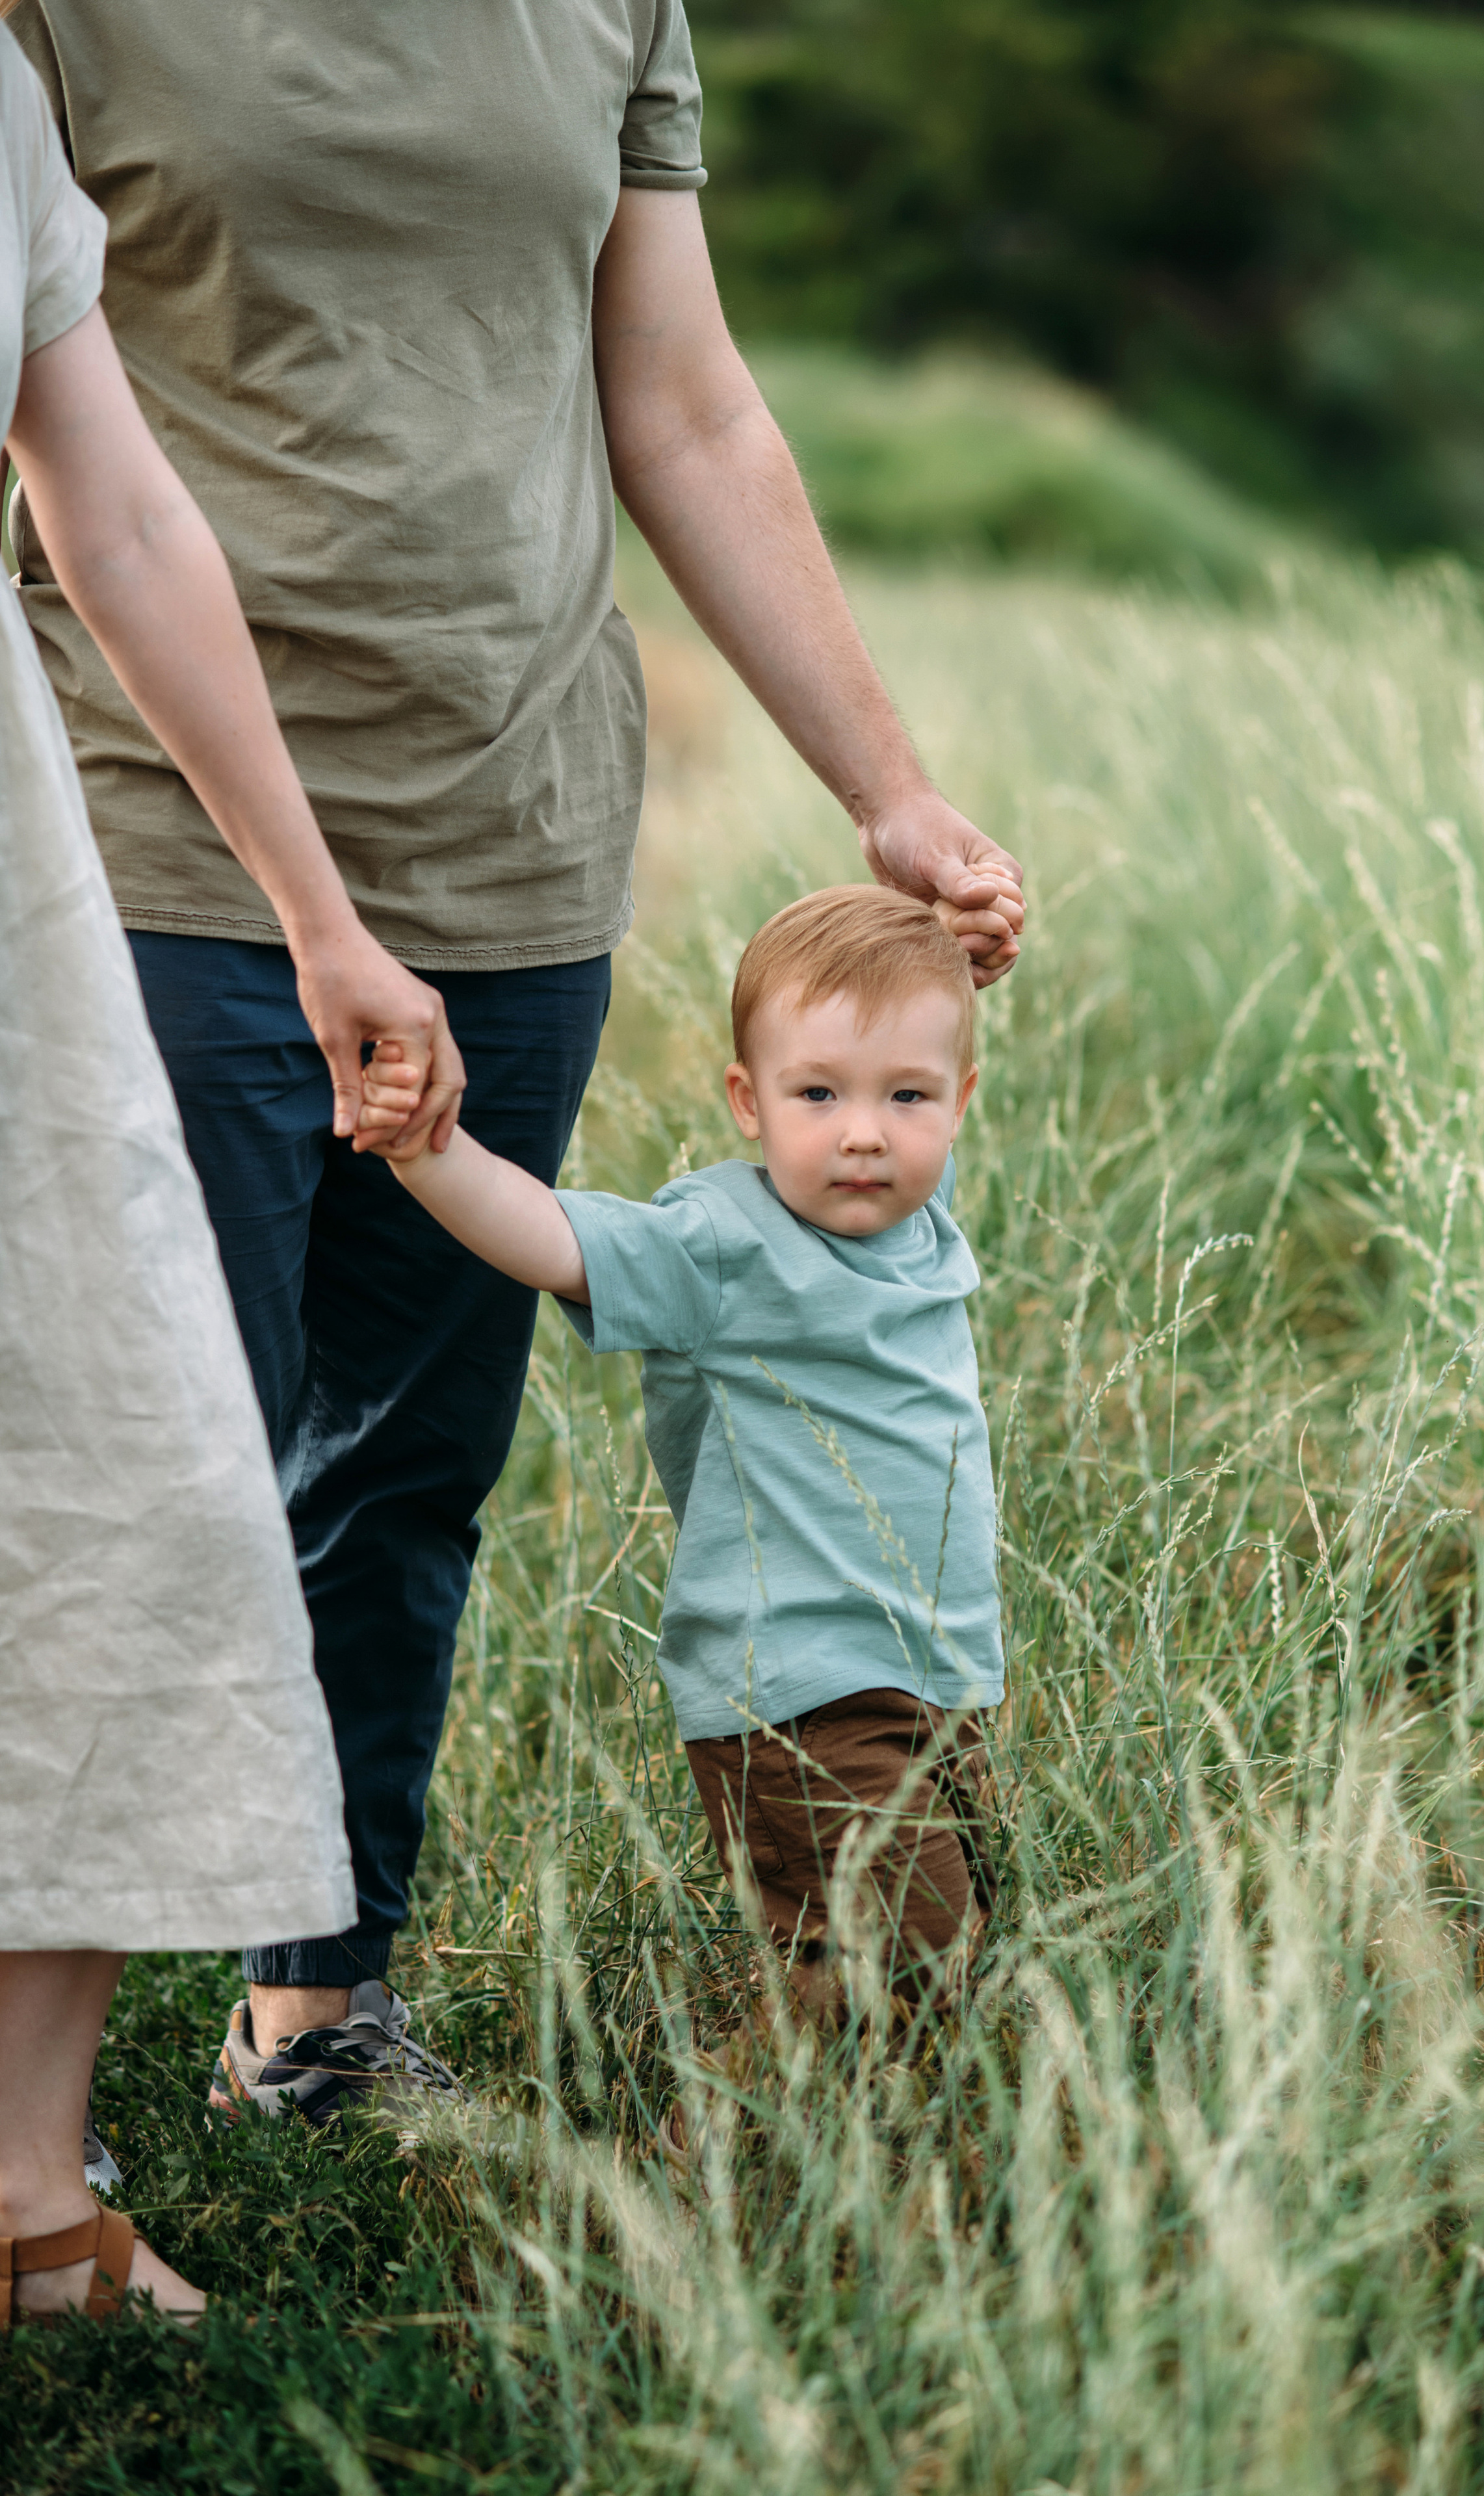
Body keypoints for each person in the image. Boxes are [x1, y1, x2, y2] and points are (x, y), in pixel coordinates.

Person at [7, 0, 1024, 2111]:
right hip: (162, 818)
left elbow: (687, 409)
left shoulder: (609, 6)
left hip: (516, 830)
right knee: (151, 1460)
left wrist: (887, 788)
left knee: (405, 1455)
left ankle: (316, 2003)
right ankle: (39, 2127)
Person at [0, 25, 463, 2325]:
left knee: (116, 1476)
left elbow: (124, 509)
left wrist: (322, 917)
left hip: (24, 870)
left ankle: (23, 2206)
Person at [358, 887, 1005, 2007]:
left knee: (938, 1953)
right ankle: (722, 2156)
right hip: (799, 1690)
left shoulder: (921, 1238)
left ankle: (817, 2146)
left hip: (934, 1680)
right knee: (900, 1963)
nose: (864, 1130)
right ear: (748, 1103)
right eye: (819, 1094)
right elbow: (557, 1239)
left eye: (907, 1095)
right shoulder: (725, 1242)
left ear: (962, 1103)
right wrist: (430, 1158)